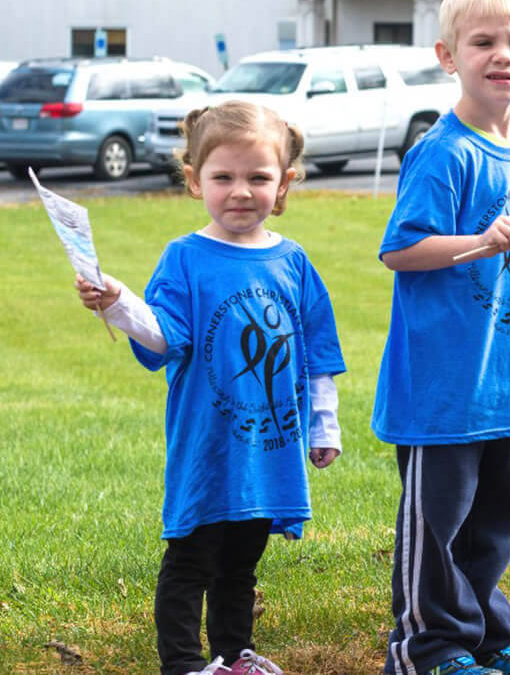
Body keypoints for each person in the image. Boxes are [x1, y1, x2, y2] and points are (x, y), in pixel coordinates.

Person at [75, 101, 344, 675]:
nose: (241, 191)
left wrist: (325, 425)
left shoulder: (293, 262)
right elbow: (164, 338)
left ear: (284, 183)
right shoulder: (186, 258)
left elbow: (318, 356)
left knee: (243, 560)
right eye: (223, 177)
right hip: (207, 445)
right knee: (192, 557)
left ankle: (233, 653)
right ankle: (184, 662)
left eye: (258, 177)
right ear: (196, 181)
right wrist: (120, 303)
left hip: (269, 448)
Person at [373, 0, 510, 675]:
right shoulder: (443, 151)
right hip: (444, 387)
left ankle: (483, 637)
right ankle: (427, 649)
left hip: (507, 379)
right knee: (439, 528)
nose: (501, 55)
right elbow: (401, 250)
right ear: (449, 56)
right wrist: (480, 239)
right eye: (483, 42)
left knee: (499, 519)